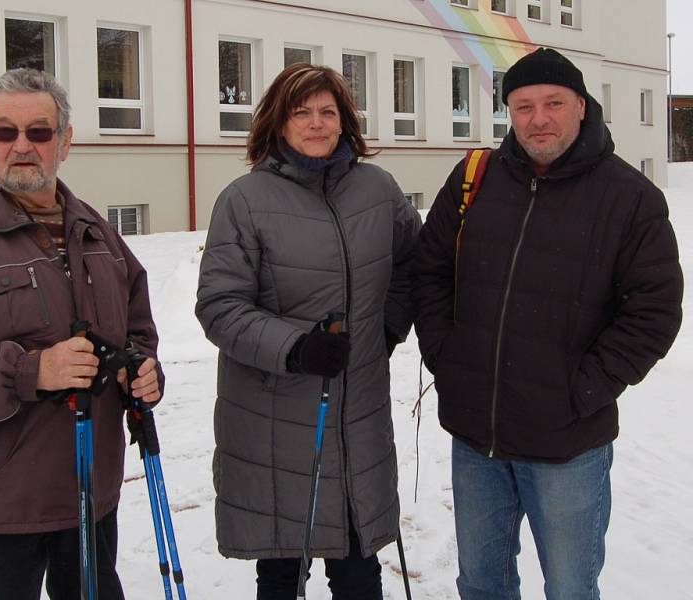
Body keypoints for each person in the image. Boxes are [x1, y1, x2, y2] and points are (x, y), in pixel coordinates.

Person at [411, 47, 684, 599]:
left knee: (569, 588)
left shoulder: (630, 198)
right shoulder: (474, 180)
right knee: (482, 585)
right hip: (476, 437)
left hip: (567, 444)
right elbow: (429, 272)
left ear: (581, 106)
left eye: (554, 103)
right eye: (523, 105)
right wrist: (449, 356)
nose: (539, 118)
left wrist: (582, 389)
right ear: (508, 112)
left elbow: (653, 310)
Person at [0, 68, 163, 600]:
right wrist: (32, 370)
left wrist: (141, 368)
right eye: (4, 132)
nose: (21, 146)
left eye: (39, 132)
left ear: (64, 141)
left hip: (88, 495)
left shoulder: (97, 230)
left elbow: (137, 328)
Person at [196, 63, 421, 599]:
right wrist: (295, 348)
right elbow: (219, 306)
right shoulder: (245, 200)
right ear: (278, 121)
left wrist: (386, 327)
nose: (317, 124)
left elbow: (415, 264)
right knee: (281, 572)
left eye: (328, 111)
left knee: (358, 566)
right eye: (302, 113)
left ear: (345, 120)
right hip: (272, 419)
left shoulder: (379, 189)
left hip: (356, 414)